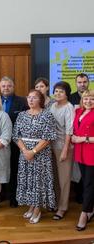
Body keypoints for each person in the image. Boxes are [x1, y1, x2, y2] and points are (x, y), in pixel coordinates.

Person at [12, 89, 56, 224]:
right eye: (29, 97)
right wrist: (25, 150)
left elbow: (48, 137)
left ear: (40, 100)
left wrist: (33, 151)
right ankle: (31, 204)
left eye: (34, 98)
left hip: (41, 155)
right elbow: (16, 135)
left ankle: (38, 208)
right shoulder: (21, 115)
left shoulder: (47, 115)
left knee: (39, 182)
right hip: (24, 154)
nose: (31, 100)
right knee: (28, 181)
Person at [0, 76, 28, 208]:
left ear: (13, 87)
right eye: (3, 86)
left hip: (17, 142)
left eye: (8, 85)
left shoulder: (22, 101)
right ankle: (1, 195)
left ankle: (14, 196)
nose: (6, 88)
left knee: (15, 169)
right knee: (0, 168)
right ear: (0, 87)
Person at [49, 81, 74, 220]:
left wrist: (65, 149)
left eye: (61, 91)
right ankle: (57, 203)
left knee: (64, 179)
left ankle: (63, 208)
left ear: (66, 94)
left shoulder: (69, 107)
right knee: (55, 177)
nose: (58, 93)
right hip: (51, 146)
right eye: (56, 91)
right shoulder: (53, 105)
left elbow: (69, 131)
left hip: (63, 147)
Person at [72, 90, 94, 231]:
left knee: (89, 185)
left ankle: (84, 213)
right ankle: (91, 209)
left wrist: (82, 139)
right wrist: (74, 137)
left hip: (92, 154)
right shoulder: (79, 111)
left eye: (92, 99)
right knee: (87, 182)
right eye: (86, 98)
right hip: (80, 154)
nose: (88, 101)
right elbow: (76, 129)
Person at [69, 73, 90, 204]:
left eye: (84, 82)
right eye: (80, 82)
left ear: (88, 82)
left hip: (89, 141)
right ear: (75, 83)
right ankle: (79, 194)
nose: (82, 84)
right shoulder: (70, 98)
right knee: (77, 170)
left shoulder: (92, 97)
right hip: (74, 140)